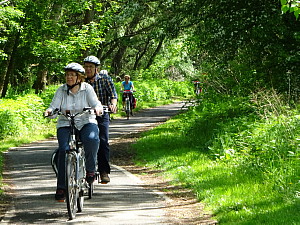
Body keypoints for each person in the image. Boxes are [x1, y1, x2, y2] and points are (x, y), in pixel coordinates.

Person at [44, 62, 103, 201]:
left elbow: (96, 103)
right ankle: (62, 187)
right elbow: (53, 106)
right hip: (66, 122)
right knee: (64, 151)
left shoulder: (87, 88)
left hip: (85, 121)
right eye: (67, 75)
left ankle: (90, 170)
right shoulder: (61, 90)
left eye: (72, 75)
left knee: (92, 139)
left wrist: (98, 109)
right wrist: (49, 111)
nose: (69, 77)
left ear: (79, 77)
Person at [83, 56, 118, 184]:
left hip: (102, 113)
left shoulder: (105, 79)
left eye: (90, 67)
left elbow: (113, 95)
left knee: (103, 141)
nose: (88, 69)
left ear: (97, 69)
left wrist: (113, 104)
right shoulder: (81, 81)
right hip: (85, 115)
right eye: (86, 66)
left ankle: (104, 171)